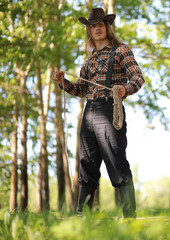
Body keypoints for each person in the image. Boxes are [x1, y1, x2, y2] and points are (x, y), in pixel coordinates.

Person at [53, 8, 144, 218]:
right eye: (93, 26)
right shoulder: (88, 61)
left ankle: (129, 218)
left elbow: (138, 78)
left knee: (117, 162)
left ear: (107, 27)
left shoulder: (121, 51)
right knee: (87, 165)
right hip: (89, 113)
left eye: (100, 25)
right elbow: (80, 90)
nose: (97, 28)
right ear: (90, 31)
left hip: (110, 110)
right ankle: (82, 218)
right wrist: (62, 83)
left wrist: (125, 90)